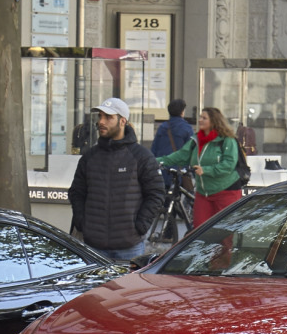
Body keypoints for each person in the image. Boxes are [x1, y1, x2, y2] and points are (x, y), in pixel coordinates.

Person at [69, 97, 166, 260]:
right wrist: (82, 223)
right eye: (100, 116)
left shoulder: (141, 156)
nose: (101, 121)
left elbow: (156, 194)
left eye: (108, 117)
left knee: (126, 286)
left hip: (129, 247)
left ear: (122, 121)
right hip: (94, 246)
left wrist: (140, 226)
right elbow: (76, 192)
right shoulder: (90, 157)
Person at [156, 106, 244, 226]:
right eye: (200, 117)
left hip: (226, 191)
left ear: (214, 121)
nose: (200, 120)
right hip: (203, 192)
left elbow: (229, 164)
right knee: (199, 230)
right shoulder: (196, 140)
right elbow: (181, 155)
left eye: (204, 118)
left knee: (226, 233)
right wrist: (157, 161)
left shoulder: (227, 140)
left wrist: (206, 170)